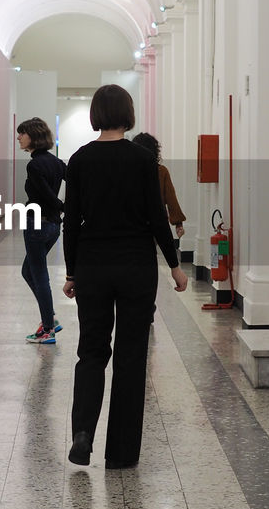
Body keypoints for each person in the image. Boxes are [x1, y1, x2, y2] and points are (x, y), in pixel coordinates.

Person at [62, 85, 187, 468]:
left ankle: (83, 434)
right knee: (131, 356)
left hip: (93, 265)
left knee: (91, 351)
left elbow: (72, 223)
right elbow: (156, 218)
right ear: (128, 114)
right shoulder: (143, 160)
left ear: (95, 114)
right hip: (136, 266)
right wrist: (175, 264)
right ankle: (121, 453)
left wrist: (71, 272)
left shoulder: (79, 160)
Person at [16, 117, 66, 344]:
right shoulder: (56, 162)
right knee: (28, 271)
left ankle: (48, 328)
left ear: (33, 136)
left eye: (22, 133)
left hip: (37, 224)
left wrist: (64, 207)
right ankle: (50, 318)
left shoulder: (34, 165)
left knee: (39, 274)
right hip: (53, 225)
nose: (18, 137)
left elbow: (46, 195)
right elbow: (74, 182)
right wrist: (64, 211)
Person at [132, 132, 185, 259]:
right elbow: (171, 198)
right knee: (148, 253)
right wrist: (178, 223)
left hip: (133, 222)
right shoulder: (161, 171)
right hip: (155, 223)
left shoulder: (128, 171)